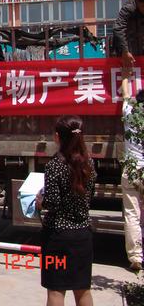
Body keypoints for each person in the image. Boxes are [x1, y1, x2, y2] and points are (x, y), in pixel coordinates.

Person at [36, 116, 96, 306]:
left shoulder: (54, 165)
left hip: (57, 237)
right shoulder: (89, 164)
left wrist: (40, 202)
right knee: (83, 289)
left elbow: (52, 202)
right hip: (83, 234)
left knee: (56, 290)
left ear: (57, 137)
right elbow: (90, 196)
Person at [121, 85, 144, 271]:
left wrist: (125, 75)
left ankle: (136, 256)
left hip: (131, 168)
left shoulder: (130, 113)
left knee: (132, 214)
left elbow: (126, 93)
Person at [113, 0, 144, 71]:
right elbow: (118, 28)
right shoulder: (128, 8)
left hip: (141, 47)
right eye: (143, 6)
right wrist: (125, 51)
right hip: (127, 47)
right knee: (126, 72)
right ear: (139, 3)